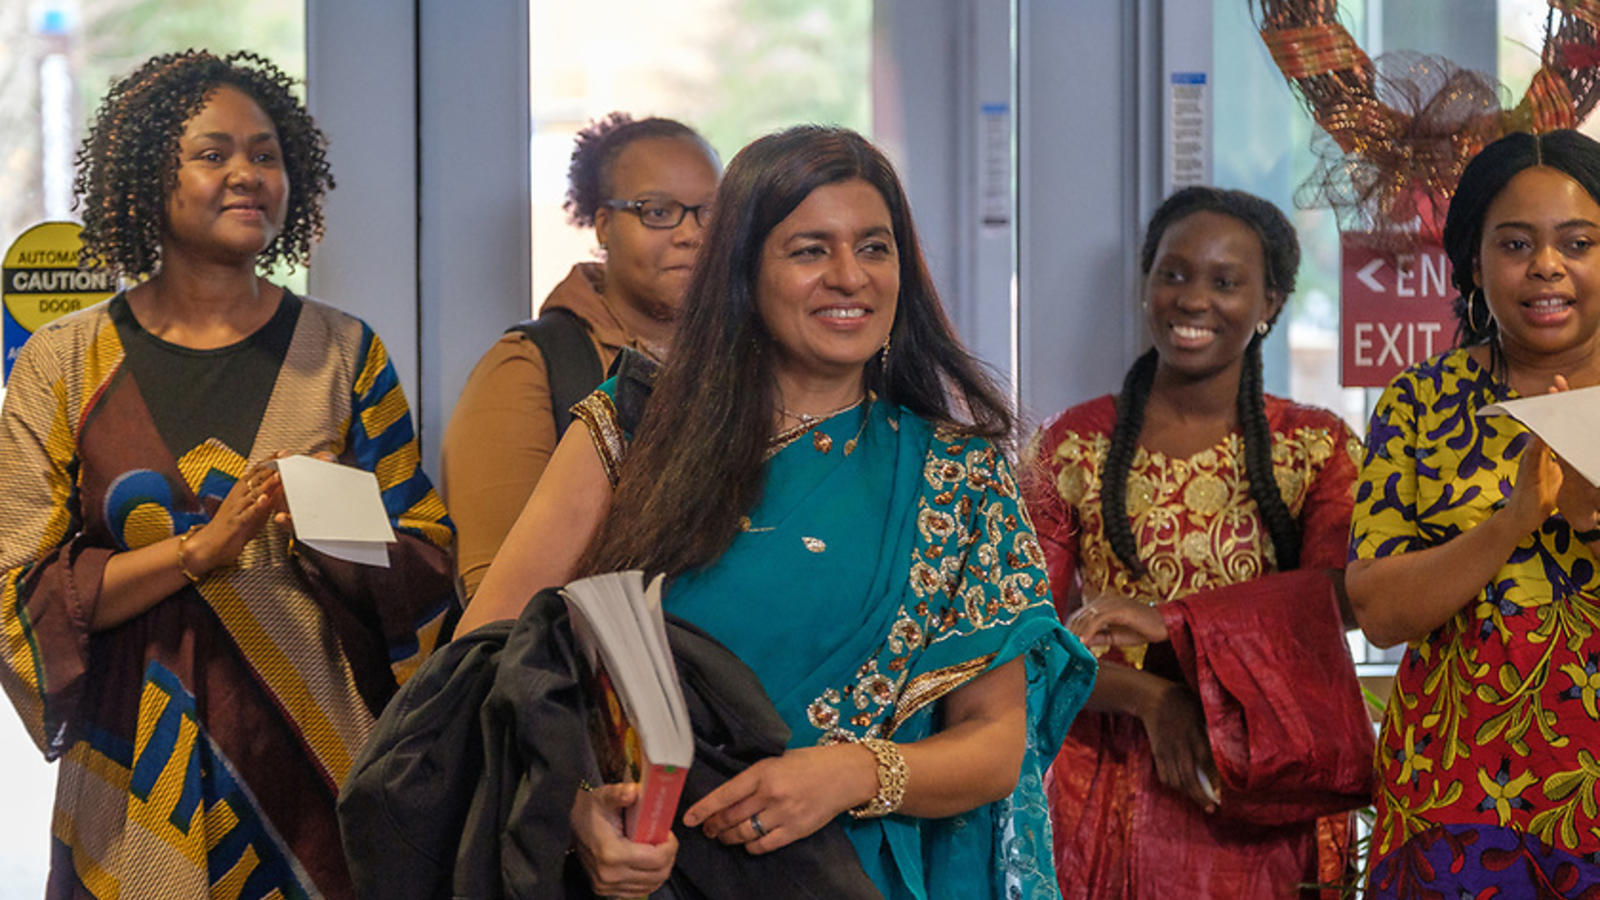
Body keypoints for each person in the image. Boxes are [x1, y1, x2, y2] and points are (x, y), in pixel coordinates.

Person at [456, 124, 1096, 898]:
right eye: (808, 251)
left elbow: (996, 746)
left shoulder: (955, 475)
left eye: (874, 247)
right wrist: (576, 812)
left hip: (850, 874)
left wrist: (852, 772)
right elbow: (482, 661)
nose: (849, 277)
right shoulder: (627, 434)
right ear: (743, 273)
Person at [0, 50, 456, 898]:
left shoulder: (344, 355)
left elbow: (427, 565)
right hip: (131, 782)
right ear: (143, 182)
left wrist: (332, 518)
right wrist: (196, 552)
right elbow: (16, 589)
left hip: (322, 768)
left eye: (267, 154)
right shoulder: (64, 365)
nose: (247, 174)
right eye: (213, 154)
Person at [1022, 186, 1374, 899]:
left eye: (1224, 281)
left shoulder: (1317, 446)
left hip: (1262, 770)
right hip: (1102, 770)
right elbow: (1027, 634)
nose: (1191, 300)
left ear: (1271, 302)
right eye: (1173, 273)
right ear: (1146, 282)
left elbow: (1340, 604)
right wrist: (1153, 701)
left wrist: (1179, 632)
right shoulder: (1070, 444)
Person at [1348, 129, 1600, 897]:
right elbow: (1380, 612)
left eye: (1578, 243)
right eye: (1516, 243)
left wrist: (1591, 515)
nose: (1547, 267)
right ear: (1473, 263)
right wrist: (1510, 524)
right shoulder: (1421, 400)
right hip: (1455, 794)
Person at [441, 113, 719, 599]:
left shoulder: (752, 360)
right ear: (605, 224)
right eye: (656, 211)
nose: (690, 233)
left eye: (711, 212)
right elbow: (501, 600)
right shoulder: (532, 367)